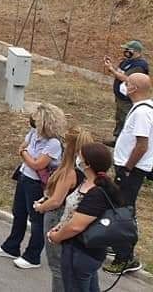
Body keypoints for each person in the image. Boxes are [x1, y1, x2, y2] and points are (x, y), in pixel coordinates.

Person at [0, 104, 66, 270]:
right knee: (18, 213)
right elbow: (23, 149)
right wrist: (26, 155)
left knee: (36, 219)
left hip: (37, 184)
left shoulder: (54, 143)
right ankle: (11, 247)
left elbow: (38, 164)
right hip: (24, 177)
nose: (33, 121)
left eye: (37, 119)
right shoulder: (33, 133)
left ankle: (32, 256)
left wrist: (25, 154)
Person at [46, 143, 123, 291]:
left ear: (87, 164)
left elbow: (76, 226)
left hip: (81, 252)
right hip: (83, 251)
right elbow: (72, 214)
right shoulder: (88, 183)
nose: (77, 159)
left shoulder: (96, 193)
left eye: (80, 156)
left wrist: (57, 237)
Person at [105, 72, 153, 275]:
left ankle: (125, 258)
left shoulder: (143, 113)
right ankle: (117, 245)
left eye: (128, 83)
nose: (124, 86)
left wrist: (126, 169)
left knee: (123, 212)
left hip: (131, 171)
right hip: (129, 168)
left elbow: (142, 145)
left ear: (134, 89)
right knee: (119, 207)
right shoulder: (143, 108)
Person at [34, 128, 92, 291]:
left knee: (57, 266)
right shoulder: (86, 171)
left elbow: (56, 201)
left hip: (56, 218)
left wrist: (40, 207)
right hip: (73, 217)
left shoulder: (68, 172)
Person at [104, 40, 149, 145]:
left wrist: (111, 69)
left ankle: (125, 143)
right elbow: (120, 72)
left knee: (126, 120)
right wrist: (112, 66)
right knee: (119, 118)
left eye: (128, 49)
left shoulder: (140, 65)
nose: (125, 51)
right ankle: (117, 139)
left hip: (128, 99)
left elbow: (127, 79)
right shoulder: (127, 61)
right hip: (120, 96)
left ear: (136, 51)